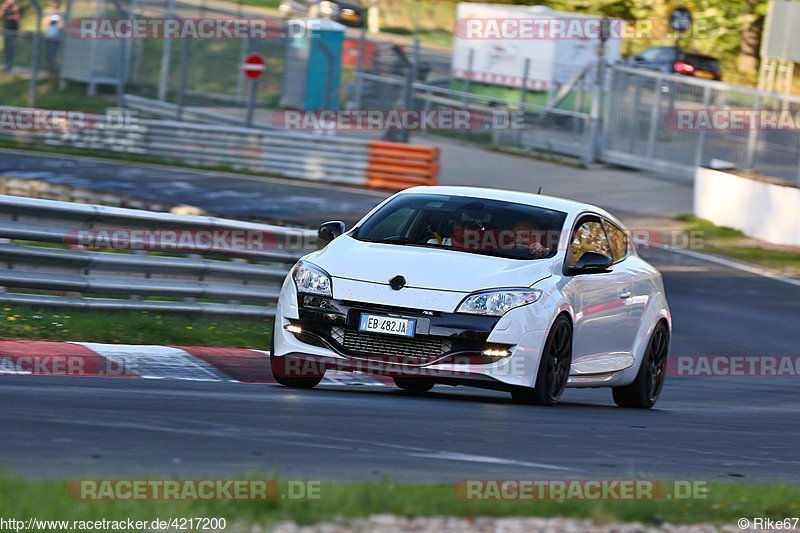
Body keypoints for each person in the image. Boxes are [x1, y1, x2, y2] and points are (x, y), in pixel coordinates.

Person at [0, 0, 21, 72]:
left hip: (13, 31)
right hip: (6, 31)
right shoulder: (5, 8)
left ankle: (10, 65)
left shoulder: (16, 7)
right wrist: (3, 9)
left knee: (11, 48)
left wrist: (14, 13)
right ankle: (6, 64)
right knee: (6, 48)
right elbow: (0, 16)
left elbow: (18, 18)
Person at [44, 0, 62, 74]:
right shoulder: (49, 13)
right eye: (55, 3)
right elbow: (46, 23)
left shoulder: (62, 14)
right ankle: (49, 69)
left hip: (56, 37)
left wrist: (58, 17)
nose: (55, 5)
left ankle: (53, 70)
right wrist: (53, 16)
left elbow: (61, 26)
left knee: (54, 54)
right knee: (48, 54)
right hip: (49, 36)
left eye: (57, 4)